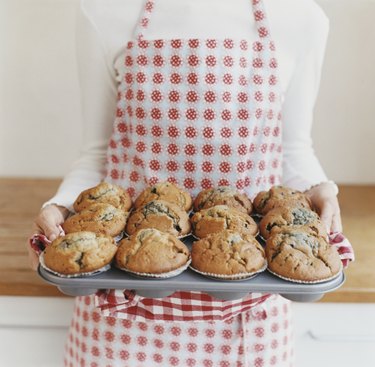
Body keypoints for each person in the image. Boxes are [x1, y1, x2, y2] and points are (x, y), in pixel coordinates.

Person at [28, 0, 343, 366]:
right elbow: (95, 155)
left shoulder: (300, 17)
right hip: (121, 313)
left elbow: (294, 149)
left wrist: (320, 188)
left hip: (248, 314)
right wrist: (59, 205)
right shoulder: (104, 11)